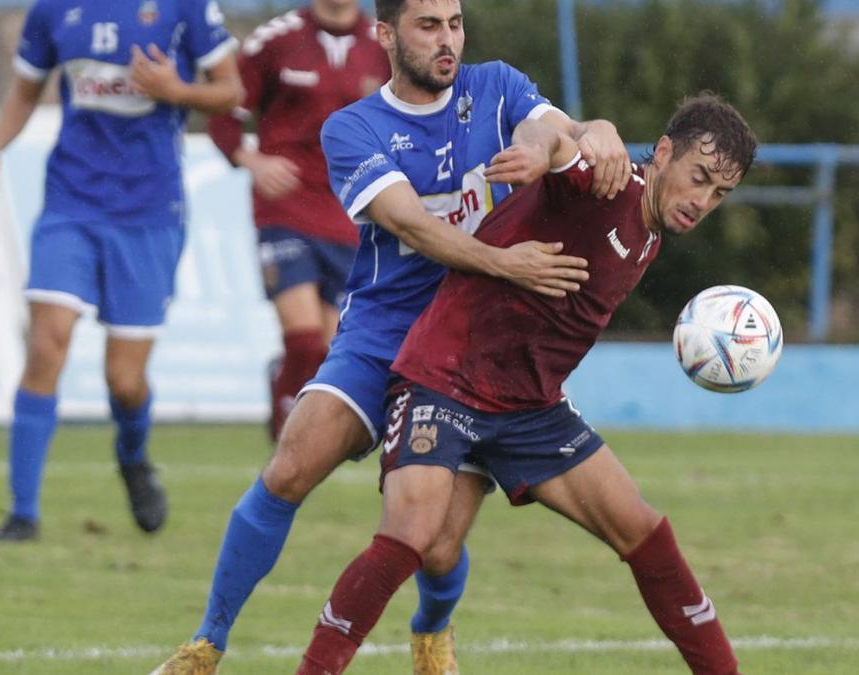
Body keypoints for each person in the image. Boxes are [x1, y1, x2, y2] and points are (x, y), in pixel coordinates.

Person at [152, 0, 631, 672]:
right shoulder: (352, 127)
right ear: (386, 35)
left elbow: (563, 130)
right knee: (290, 465)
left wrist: (595, 130)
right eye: (428, 25)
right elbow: (409, 223)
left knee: (434, 546)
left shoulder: (496, 87)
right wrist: (504, 261)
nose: (447, 40)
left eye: (455, 24)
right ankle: (206, 643)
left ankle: (432, 631)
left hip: (473, 347)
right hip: (383, 332)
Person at [294, 93, 757, 675]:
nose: (703, 200)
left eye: (720, 194)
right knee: (414, 535)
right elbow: (560, 142)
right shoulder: (608, 184)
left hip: (529, 407)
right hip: (446, 377)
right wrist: (542, 150)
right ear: (664, 152)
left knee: (642, 530)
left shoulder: (650, 233)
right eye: (699, 178)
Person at [0, 0, 243, 542]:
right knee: (48, 342)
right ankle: (23, 514)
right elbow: (25, 89)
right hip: (71, 202)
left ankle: (133, 457)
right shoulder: (53, 10)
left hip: (149, 211)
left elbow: (231, 92)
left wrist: (179, 93)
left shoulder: (184, 7)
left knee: (125, 379)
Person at [206, 0, 390, 442]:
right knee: (304, 339)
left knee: (327, 355)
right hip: (284, 210)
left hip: (351, 215)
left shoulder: (383, 47)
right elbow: (224, 114)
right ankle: (287, 434)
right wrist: (251, 159)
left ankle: (284, 383)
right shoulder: (274, 41)